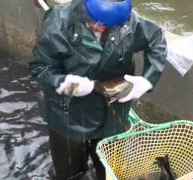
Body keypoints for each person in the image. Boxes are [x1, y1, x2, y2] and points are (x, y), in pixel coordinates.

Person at [29, 0, 167, 179]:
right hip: (68, 111)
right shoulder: (60, 21)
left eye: (110, 26)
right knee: (70, 171)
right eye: (98, 24)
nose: (102, 30)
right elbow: (40, 68)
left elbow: (157, 40)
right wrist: (68, 84)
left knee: (109, 168)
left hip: (113, 108)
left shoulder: (129, 21)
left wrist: (146, 81)